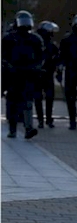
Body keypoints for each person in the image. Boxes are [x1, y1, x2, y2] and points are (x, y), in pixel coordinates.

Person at [1, 10, 44, 139]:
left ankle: (28, 128)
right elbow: (3, 56)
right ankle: (12, 129)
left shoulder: (35, 39)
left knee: (27, 102)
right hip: (13, 74)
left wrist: (36, 68)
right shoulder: (9, 38)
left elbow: (40, 57)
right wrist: (8, 67)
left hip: (29, 74)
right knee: (13, 102)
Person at [35, 20, 60, 129]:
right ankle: (42, 120)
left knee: (47, 98)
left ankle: (47, 119)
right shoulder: (36, 43)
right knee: (39, 98)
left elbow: (57, 58)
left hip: (47, 74)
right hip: (39, 74)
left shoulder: (52, 46)